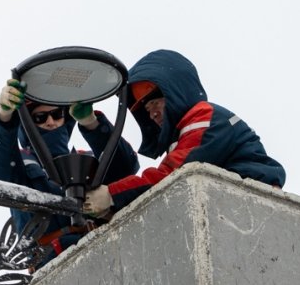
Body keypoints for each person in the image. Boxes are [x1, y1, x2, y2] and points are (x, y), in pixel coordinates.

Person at [83, 49, 285, 218]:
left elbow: (172, 177)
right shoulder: (184, 133)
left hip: (253, 202)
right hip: (235, 206)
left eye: (155, 103)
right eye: (146, 109)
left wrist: (111, 194)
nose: (152, 114)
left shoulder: (203, 117)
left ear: (174, 92)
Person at [0, 77, 139, 261]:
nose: (50, 122)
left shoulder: (85, 158)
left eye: (57, 115)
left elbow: (125, 168)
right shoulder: (21, 163)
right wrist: (4, 117)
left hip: (104, 249)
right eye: (40, 117)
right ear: (27, 124)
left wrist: (91, 123)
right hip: (51, 261)